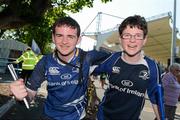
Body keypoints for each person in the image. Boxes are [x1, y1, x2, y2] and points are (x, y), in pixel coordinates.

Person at [9, 16, 109, 120]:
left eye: (70, 36)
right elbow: (30, 94)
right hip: (49, 117)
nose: (64, 41)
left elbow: (119, 59)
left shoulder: (89, 58)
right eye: (59, 35)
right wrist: (21, 96)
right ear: (53, 37)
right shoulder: (45, 62)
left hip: (78, 117)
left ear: (78, 39)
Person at [92, 15, 161, 120]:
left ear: (145, 40)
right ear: (120, 39)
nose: (132, 40)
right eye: (127, 35)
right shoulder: (112, 59)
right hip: (103, 117)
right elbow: (83, 68)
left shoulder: (152, 66)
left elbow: (156, 99)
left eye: (138, 35)